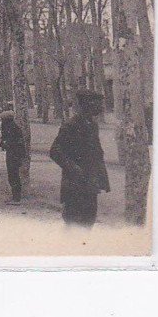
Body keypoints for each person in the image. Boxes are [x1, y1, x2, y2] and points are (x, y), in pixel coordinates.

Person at [49, 88, 110, 228]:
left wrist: (100, 177)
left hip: (90, 185)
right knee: (74, 224)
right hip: (74, 185)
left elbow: (96, 153)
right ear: (87, 104)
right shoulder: (71, 125)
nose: (100, 107)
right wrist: (74, 168)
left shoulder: (93, 125)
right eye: (97, 103)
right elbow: (55, 151)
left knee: (88, 222)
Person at [0, 110, 27, 203]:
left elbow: (12, 142)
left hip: (14, 154)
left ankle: (16, 198)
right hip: (14, 154)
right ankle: (16, 196)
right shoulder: (12, 127)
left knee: (13, 175)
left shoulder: (12, 128)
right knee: (13, 175)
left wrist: (4, 144)